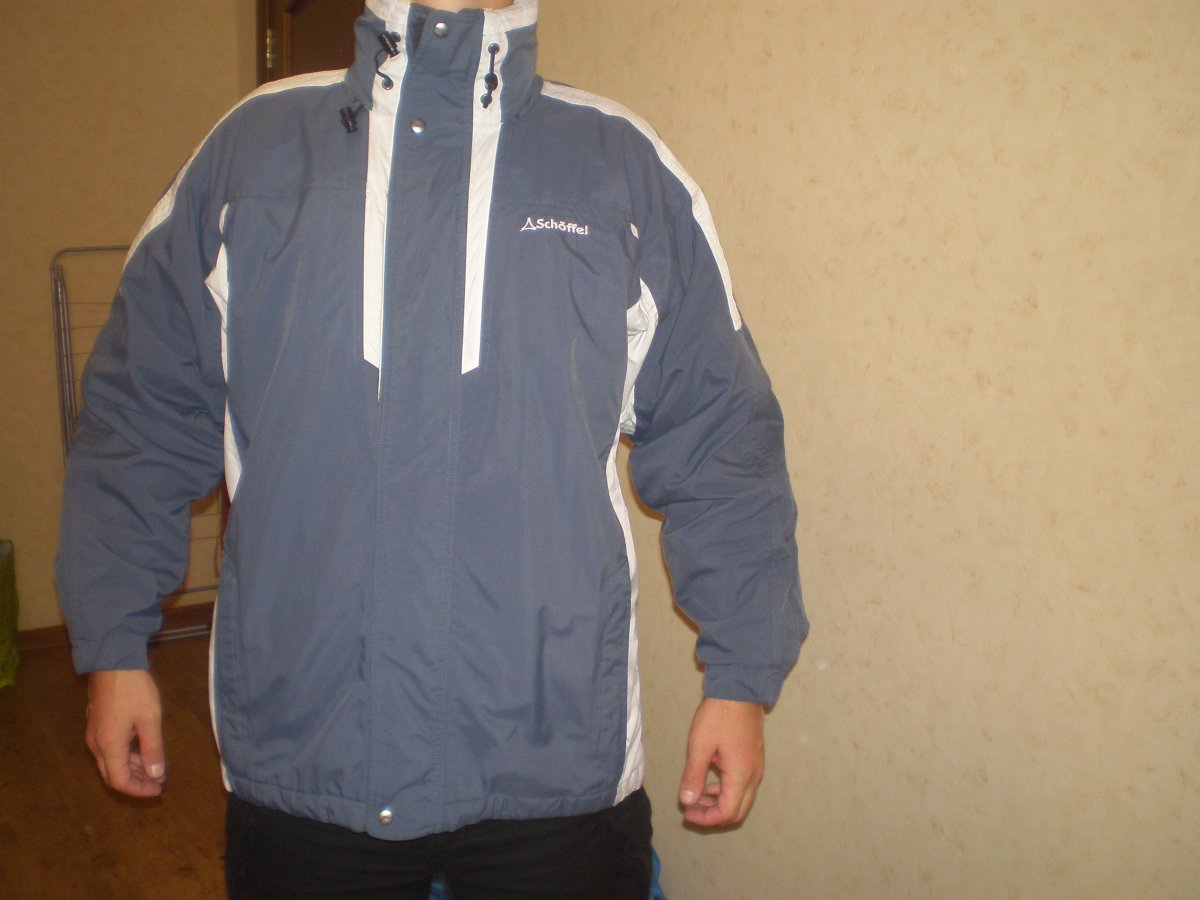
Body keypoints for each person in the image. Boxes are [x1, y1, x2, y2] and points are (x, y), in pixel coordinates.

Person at [56, 0, 808, 896]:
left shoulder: (618, 167)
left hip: (549, 756)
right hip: (310, 753)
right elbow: (138, 419)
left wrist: (739, 675)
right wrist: (114, 646)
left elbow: (722, 440)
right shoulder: (251, 155)